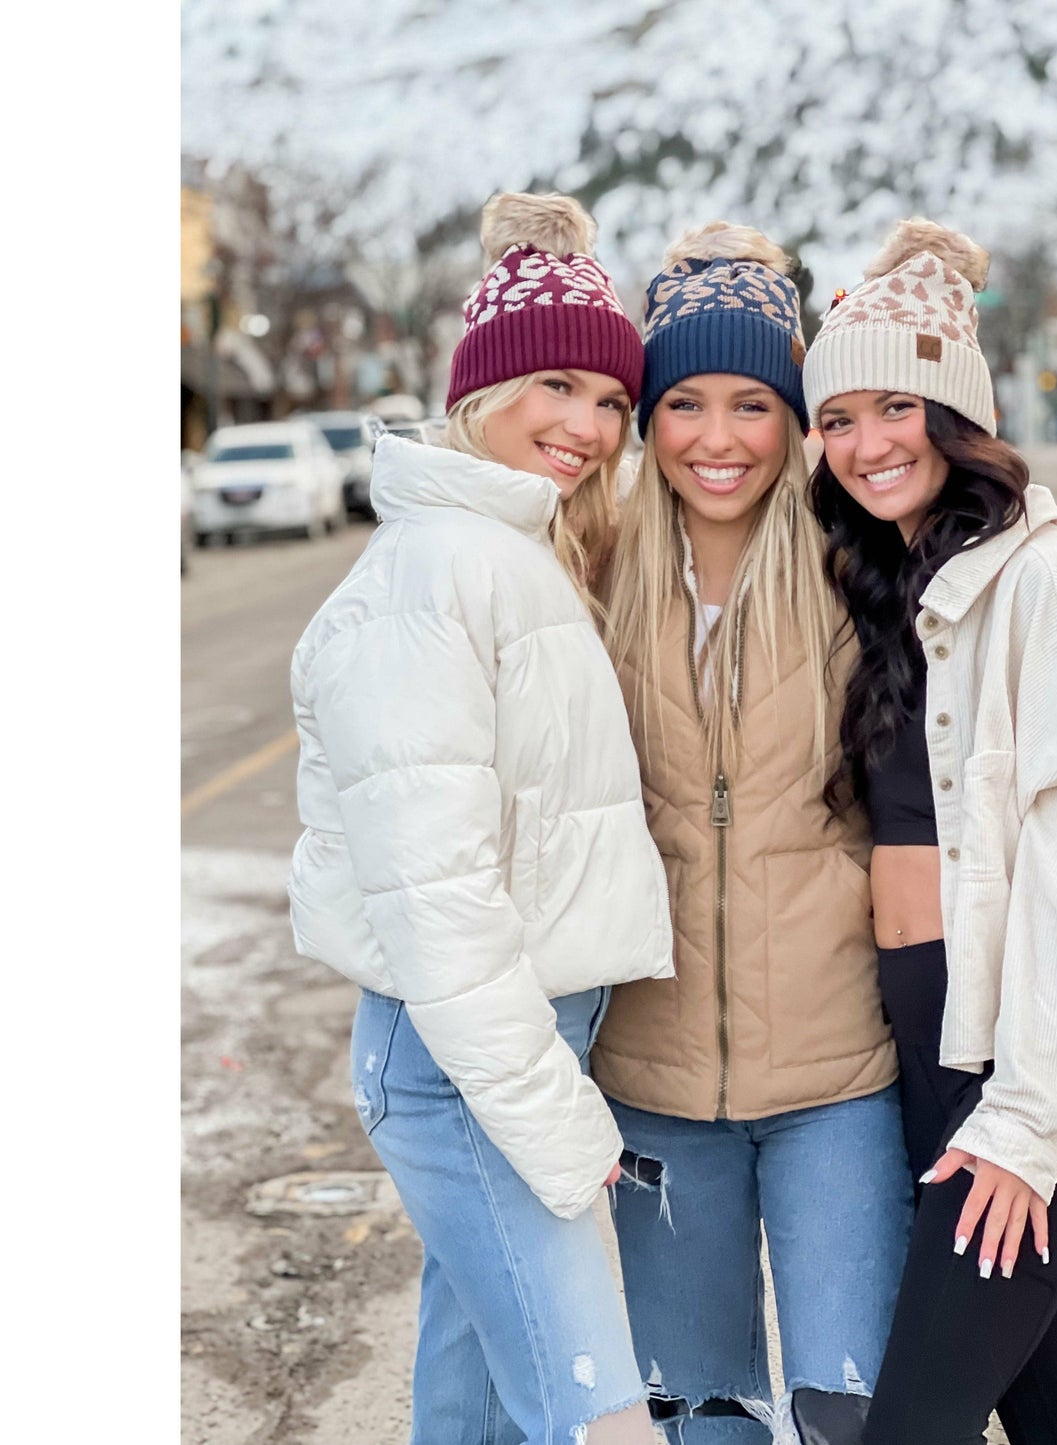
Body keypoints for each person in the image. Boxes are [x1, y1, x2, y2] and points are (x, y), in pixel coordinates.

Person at [803, 219, 1057, 1445]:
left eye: (893, 407)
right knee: (1054, 1420)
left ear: (954, 413)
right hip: (938, 1052)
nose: (864, 444)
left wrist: (1025, 1121)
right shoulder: (907, 583)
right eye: (835, 419)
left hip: (1039, 1072)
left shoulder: (1042, 584)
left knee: (910, 1425)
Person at [287, 193, 672, 1445]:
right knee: (594, 1411)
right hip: (470, 1058)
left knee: (477, 1410)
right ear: (481, 390)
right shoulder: (435, 572)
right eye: (555, 385)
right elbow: (438, 900)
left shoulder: (508, 552)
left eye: (612, 399)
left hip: (498, 1047)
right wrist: (554, 1118)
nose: (589, 425)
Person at [591, 223, 914, 1445]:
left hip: (838, 1077)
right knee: (700, 1421)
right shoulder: (591, 565)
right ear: (647, 417)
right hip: (649, 1083)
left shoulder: (858, 566)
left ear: (793, 415)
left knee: (850, 1408)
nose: (715, 439)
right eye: (682, 401)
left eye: (750, 402)